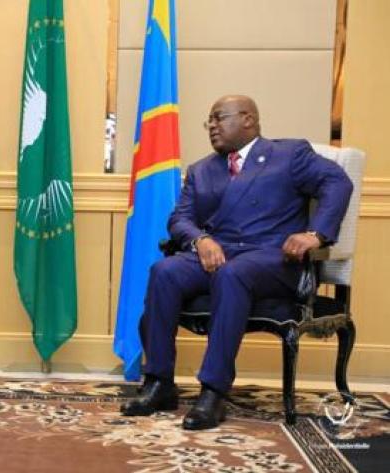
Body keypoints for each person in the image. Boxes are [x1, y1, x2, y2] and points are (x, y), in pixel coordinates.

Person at [120, 95, 353, 430]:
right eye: (209, 121)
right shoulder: (201, 170)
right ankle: (159, 383)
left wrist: (316, 234)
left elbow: (338, 182)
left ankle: (213, 391)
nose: (212, 126)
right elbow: (179, 219)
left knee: (232, 273)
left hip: (273, 258)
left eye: (219, 118)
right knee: (164, 271)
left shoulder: (289, 154)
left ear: (248, 119)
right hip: (218, 254)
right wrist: (201, 240)